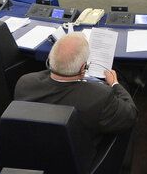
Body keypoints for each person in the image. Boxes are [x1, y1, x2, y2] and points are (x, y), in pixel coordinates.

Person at [14, 32, 138, 169]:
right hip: (80, 162)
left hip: (37, 158)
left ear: (50, 57)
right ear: (83, 67)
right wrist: (115, 84)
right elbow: (131, 114)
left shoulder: (24, 84)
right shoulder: (99, 97)